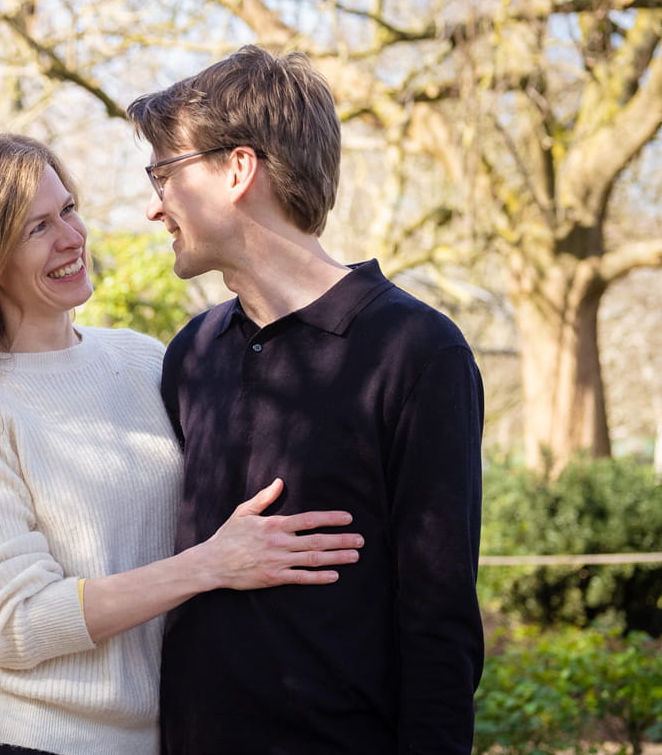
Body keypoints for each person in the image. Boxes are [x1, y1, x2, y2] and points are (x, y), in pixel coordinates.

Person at [0, 132, 365, 755]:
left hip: (180, 736)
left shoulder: (142, 360)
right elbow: (12, 625)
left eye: (67, 209)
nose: (72, 238)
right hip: (49, 743)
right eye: (35, 228)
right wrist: (209, 565)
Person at [125, 46, 485, 754]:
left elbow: (439, 621)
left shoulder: (416, 350)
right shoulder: (191, 354)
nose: (153, 205)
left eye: (165, 172)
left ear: (238, 169)